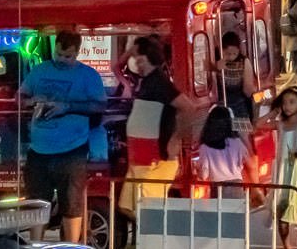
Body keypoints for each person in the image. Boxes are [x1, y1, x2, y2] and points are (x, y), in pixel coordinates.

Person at [20, 30, 107, 242]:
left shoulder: (88, 75)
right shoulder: (39, 71)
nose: (61, 60)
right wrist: (31, 101)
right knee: (37, 202)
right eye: (58, 54)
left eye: (67, 56)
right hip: (38, 148)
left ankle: (71, 246)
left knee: (72, 203)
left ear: (77, 53)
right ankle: (36, 245)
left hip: (72, 149)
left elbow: (100, 105)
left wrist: (67, 107)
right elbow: (20, 97)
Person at [120, 36, 196, 223]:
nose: (136, 62)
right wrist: (133, 50)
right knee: (127, 206)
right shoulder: (144, 81)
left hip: (156, 157)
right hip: (141, 157)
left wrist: (176, 138)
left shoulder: (160, 83)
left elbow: (188, 107)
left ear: (151, 58)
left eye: (140, 58)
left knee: (148, 208)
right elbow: (118, 66)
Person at [257, 86, 297, 249]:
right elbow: (257, 125)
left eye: (292, 102)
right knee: (282, 214)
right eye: (284, 103)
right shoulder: (280, 123)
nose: (287, 106)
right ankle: (287, 246)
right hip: (283, 171)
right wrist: (271, 113)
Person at [196, 105, 254, 198]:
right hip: (237, 187)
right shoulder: (237, 142)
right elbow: (251, 164)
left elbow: (203, 175)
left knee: (220, 212)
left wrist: (197, 169)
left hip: (217, 190)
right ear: (229, 123)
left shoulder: (205, 147)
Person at [216, 31, 256, 131]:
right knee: (243, 138)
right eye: (228, 53)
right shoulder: (244, 62)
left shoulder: (215, 61)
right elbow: (248, 90)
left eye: (233, 53)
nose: (230, 57)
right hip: (238, 109)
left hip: (219, 110)